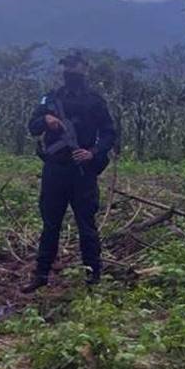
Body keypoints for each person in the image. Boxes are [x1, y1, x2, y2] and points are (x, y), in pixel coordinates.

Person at [25, 52, 117, 291]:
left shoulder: (95, 100)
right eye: (66, 66)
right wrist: (46, 120)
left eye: (74, 66)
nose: (70, 70)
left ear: (85, 68)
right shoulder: (51, 98)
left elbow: (109, 132)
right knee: (50, 224)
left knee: (86, 225)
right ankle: (41, 274)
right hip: (55, 168)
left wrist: (94, 152)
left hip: (82, 171)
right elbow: (32, 127)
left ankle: (93, 275)